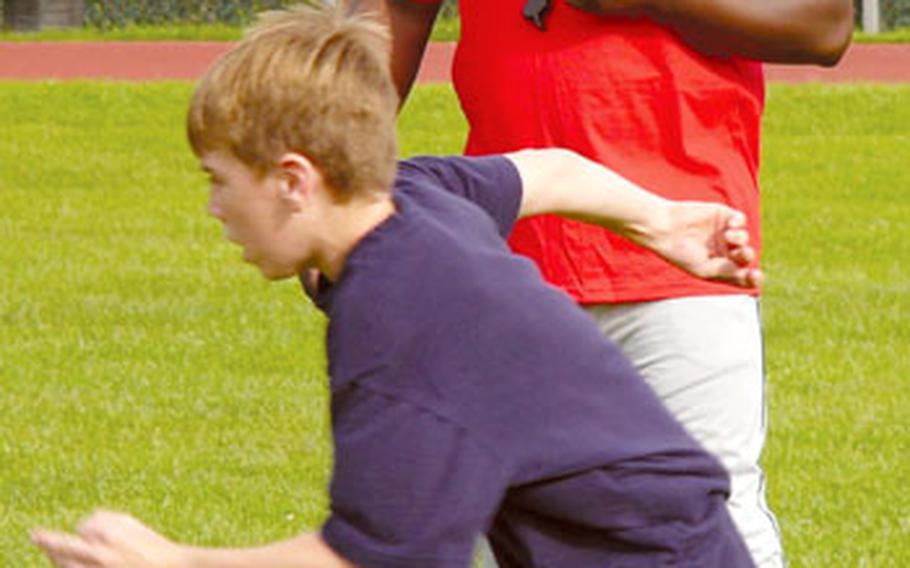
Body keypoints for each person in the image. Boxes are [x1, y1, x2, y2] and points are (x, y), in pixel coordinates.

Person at [32, 5, 765, 567]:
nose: (214, 209)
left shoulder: (404, 315)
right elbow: (548, 171)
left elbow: (366, 559)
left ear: (294, 180)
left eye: (221, 182)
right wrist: (662, 221)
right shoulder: (413, 195)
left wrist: (174, 559)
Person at [377, 1, 854, 566]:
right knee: (528, 540)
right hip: (511, 264)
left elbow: (822, 25)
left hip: (687, 254)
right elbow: (398, 12)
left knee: (709, 528)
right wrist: (332, 177)